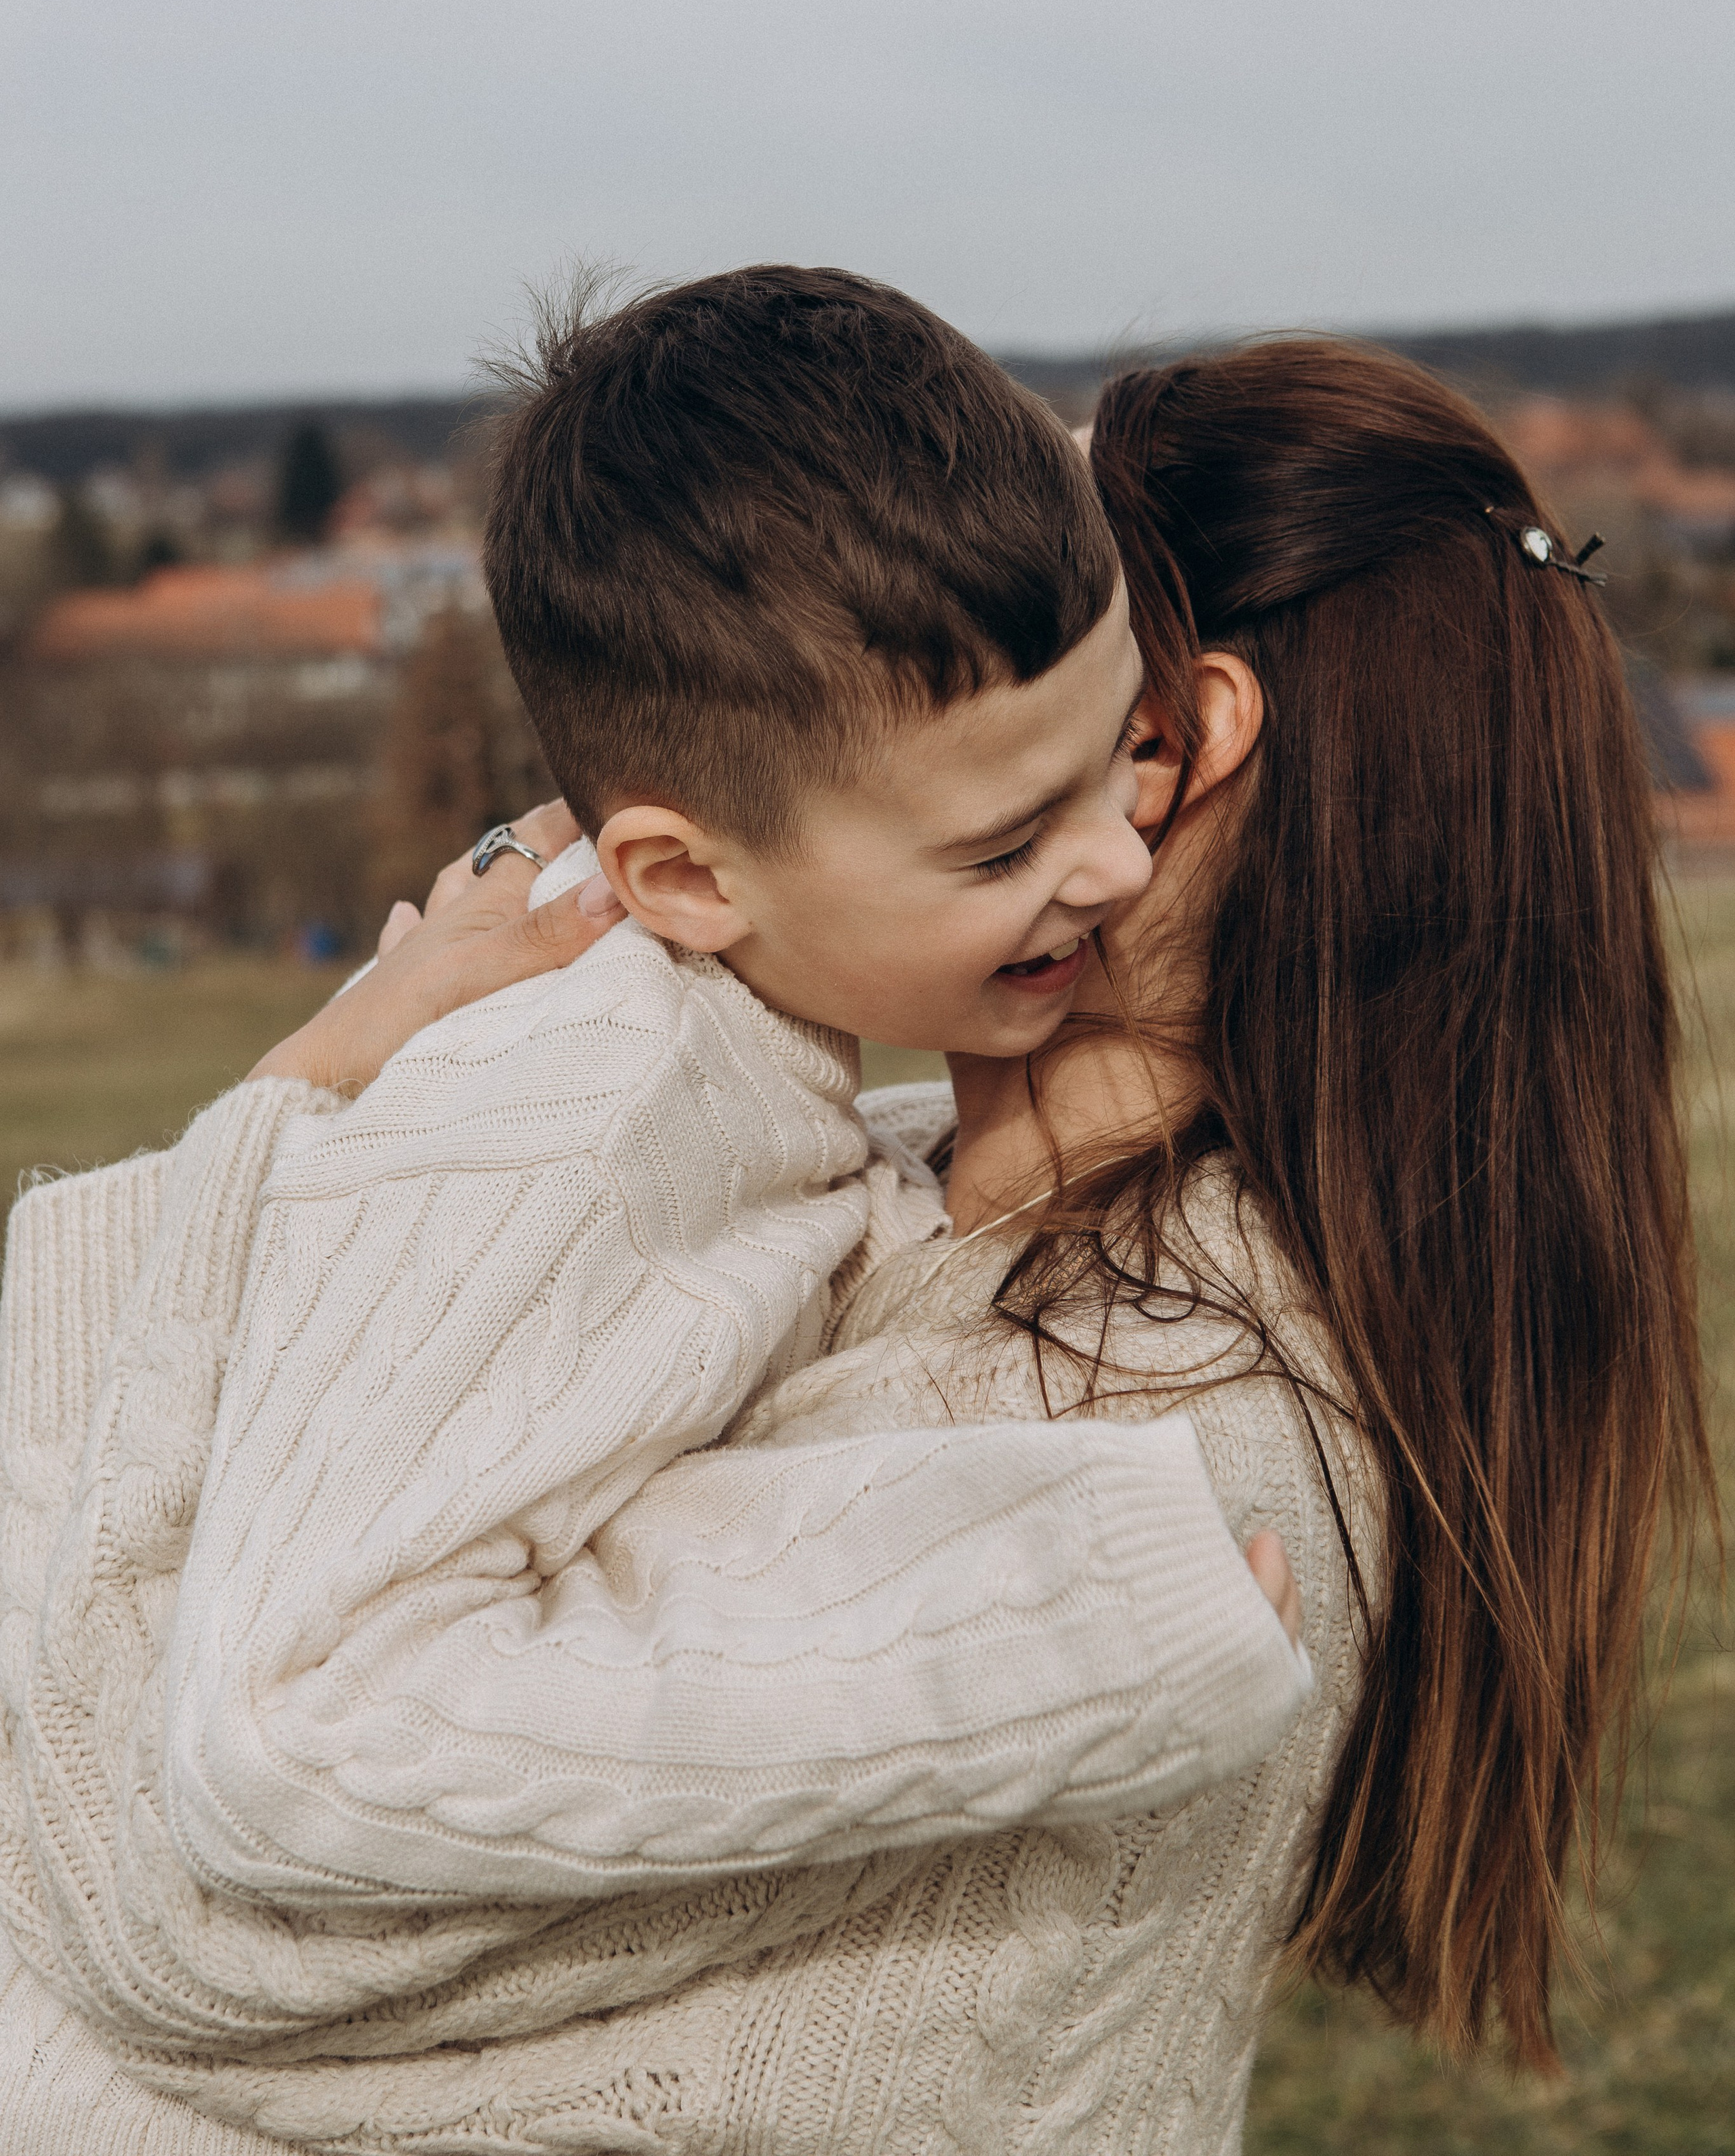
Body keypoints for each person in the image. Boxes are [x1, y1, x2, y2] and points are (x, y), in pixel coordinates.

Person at [0, 331, 1707, 2153]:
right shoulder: (899, 1207)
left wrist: (267, 1129)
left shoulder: (1131, 1439)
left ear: (1182, 745)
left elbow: (196, 1922)